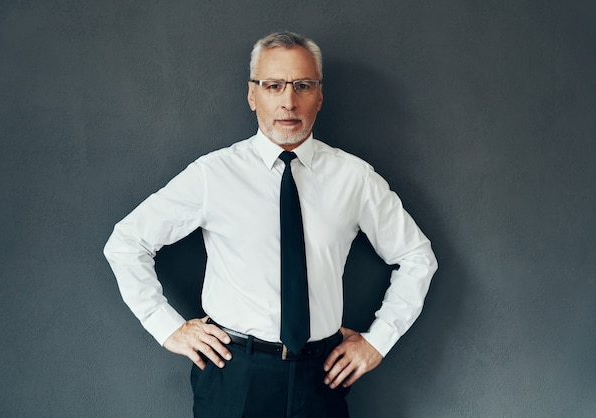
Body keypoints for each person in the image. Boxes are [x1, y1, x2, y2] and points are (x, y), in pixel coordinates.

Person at [104, 31, 437, 418]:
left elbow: (418, 257)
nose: (288, 101)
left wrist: (378, 340)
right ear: (252, 94)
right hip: (235, 374)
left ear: (320, 95)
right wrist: (166, 327)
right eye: (273, 85)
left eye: (302, 85)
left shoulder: (355, 178)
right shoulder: (214, 174)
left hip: (322, 376)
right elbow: (126, 243)